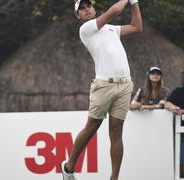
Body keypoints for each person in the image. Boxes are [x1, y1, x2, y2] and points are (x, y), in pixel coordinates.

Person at [60, 0, 142, 180]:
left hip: (125, 84)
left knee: (116, 131)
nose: (86, 9)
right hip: (104, 85)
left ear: (93, 8)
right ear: (78, 16)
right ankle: (69, 166)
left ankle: (114, 178)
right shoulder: (86, 29)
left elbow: (137, 27)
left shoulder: (112, 29)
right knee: (92, 127)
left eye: (88, 6)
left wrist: (135, 3)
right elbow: (114, 11)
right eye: (82, 9)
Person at [165, 67, 184, 178]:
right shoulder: (178, 91)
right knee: (182, 161)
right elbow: (166, 103)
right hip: (181, 132)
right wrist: (173, 107)